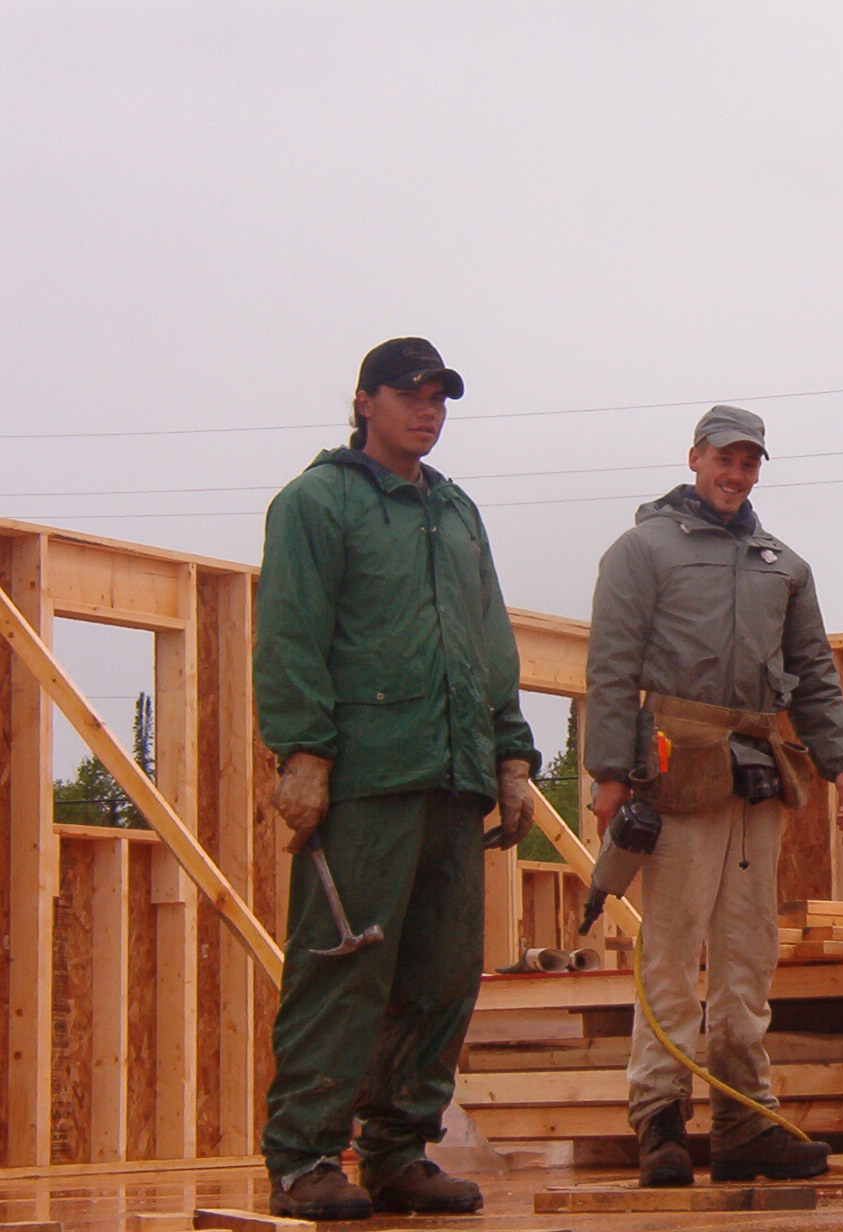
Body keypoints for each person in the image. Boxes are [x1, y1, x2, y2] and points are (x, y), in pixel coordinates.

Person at [254, 337, 541, 1220]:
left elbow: (489, 637)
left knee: (441, 974)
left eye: (440, 398)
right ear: (364, 401)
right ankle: (304, 1158)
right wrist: (303, 753)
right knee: (345, 965)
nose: (429, 411)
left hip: (454, 775)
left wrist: (512, 753)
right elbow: (293, 630)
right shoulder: (317, 502)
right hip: (368, 778)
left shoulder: (456, 513)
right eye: (412, 395)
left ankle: (397, 1151)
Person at [585, 405, 843, 1187]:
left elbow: (813, 672)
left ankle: (746, 1121)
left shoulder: (785, 564)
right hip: (676, 765)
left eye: (749, 464)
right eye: (724, 460)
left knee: (747, 955)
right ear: (695, 457)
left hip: (758, 769)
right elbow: (609, 667)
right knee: (670, 949)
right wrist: (610, 773)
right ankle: (661, 1122)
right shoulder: (643, 551)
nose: (735, 475)